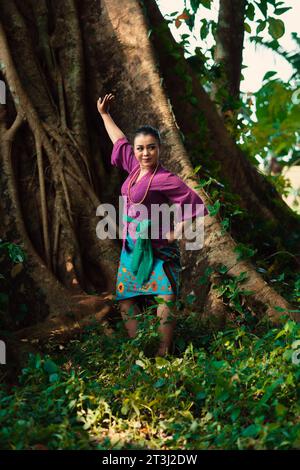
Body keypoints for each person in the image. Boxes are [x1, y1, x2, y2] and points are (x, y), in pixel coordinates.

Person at [97, 93, 208, 356]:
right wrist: (104, 114)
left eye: (151, 147)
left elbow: (193, 203)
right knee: (126, 300)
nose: (145, 153)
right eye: (141, 148)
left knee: (165, 296)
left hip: (158, 248)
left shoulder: (165, 178)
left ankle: (163, 351)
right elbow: (119, 140)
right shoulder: (134, 168)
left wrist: (175, 233)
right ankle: (140, 349)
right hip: (132, 248)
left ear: (159, 149)